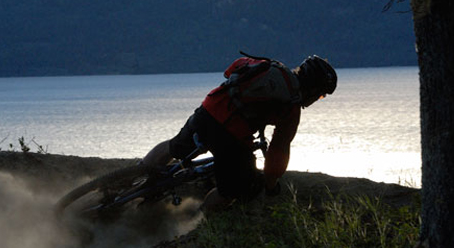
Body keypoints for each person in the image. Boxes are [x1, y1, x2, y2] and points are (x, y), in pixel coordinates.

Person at [140, 53, 337, 211]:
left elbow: (231, 71)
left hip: (210, 108)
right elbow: (278, 153)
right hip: (230, 134)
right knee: (233, 190)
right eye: (320, 95)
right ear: (313, 89)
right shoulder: (291, 107)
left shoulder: (269, 66)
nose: (316, 100)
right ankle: (200, 224)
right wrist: (270, 185)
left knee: (175, 147)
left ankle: (137, 177)